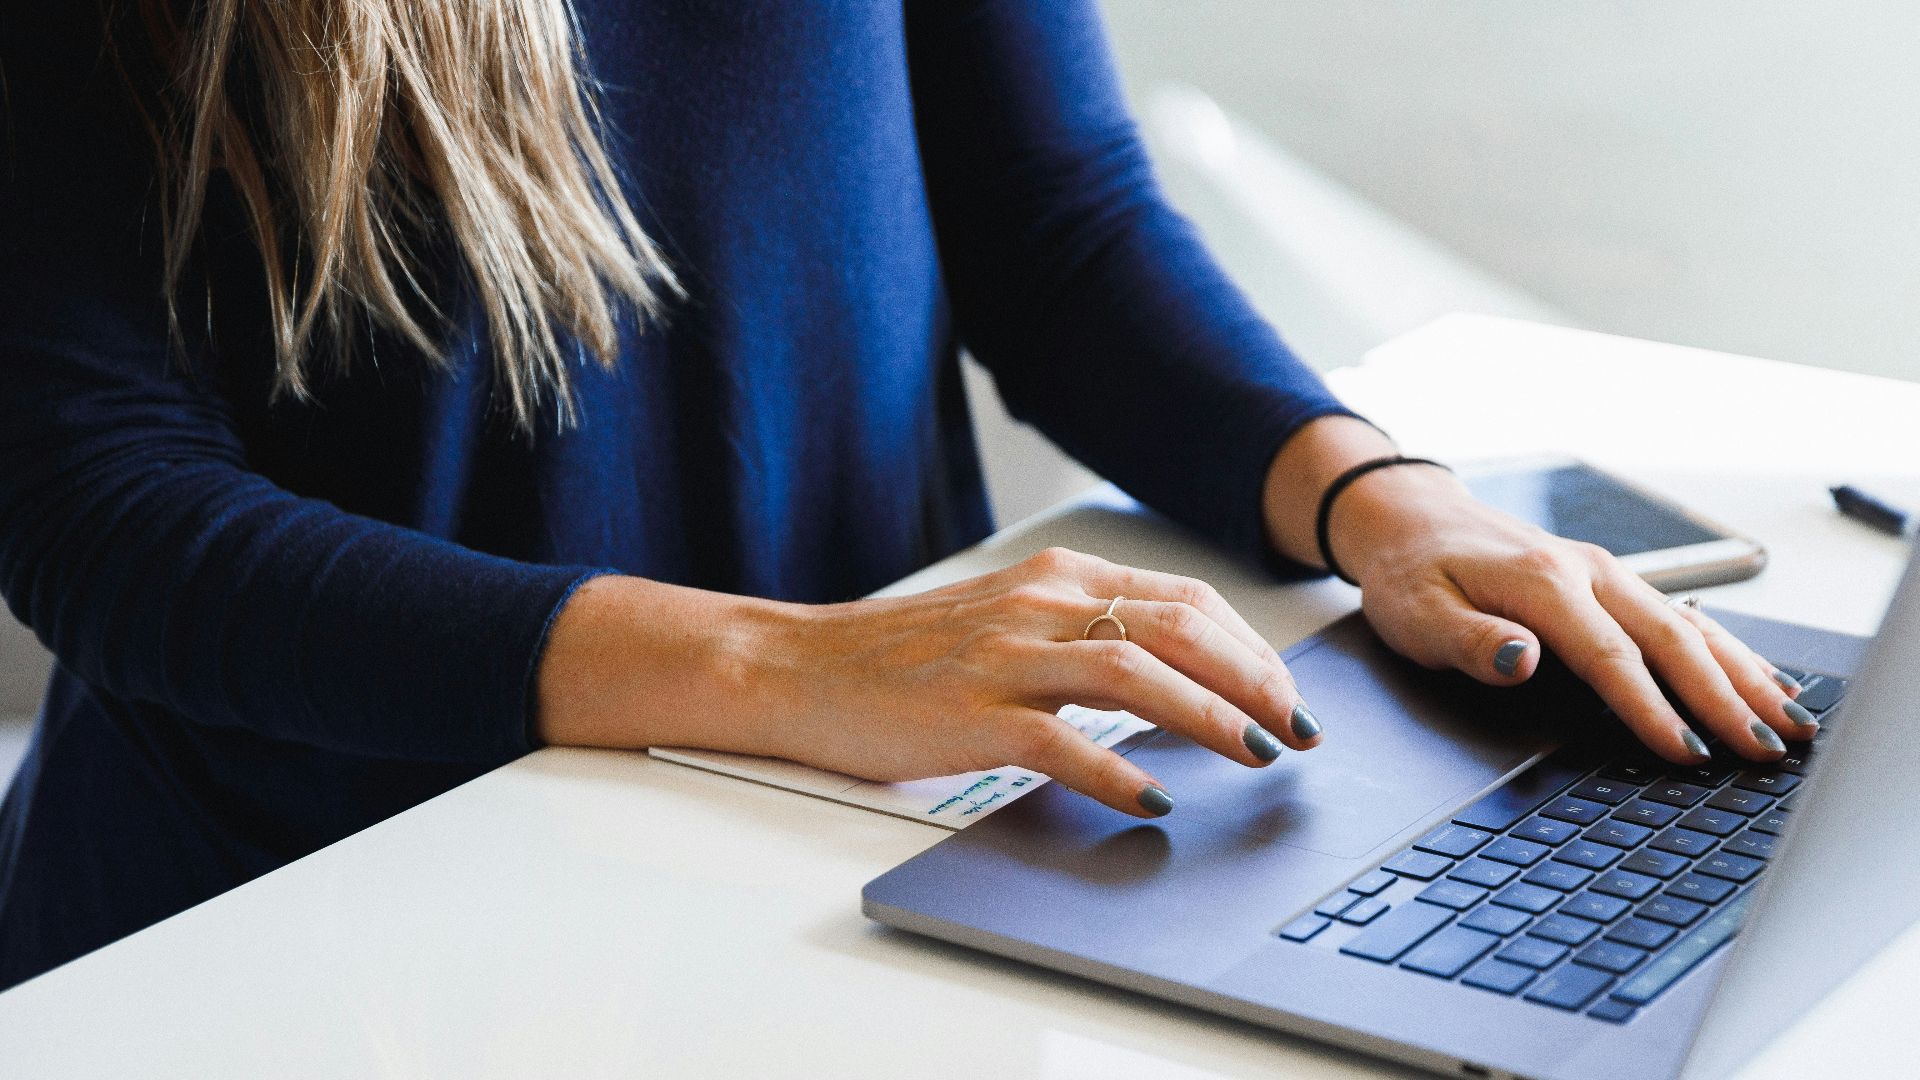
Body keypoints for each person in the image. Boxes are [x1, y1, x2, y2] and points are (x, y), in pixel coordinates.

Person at [0, 0, 1814, 991]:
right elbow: (105, 512)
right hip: (326, 916)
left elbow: (1056, 218)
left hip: (856, 842)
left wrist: (1380, 500)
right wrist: (780, 669)